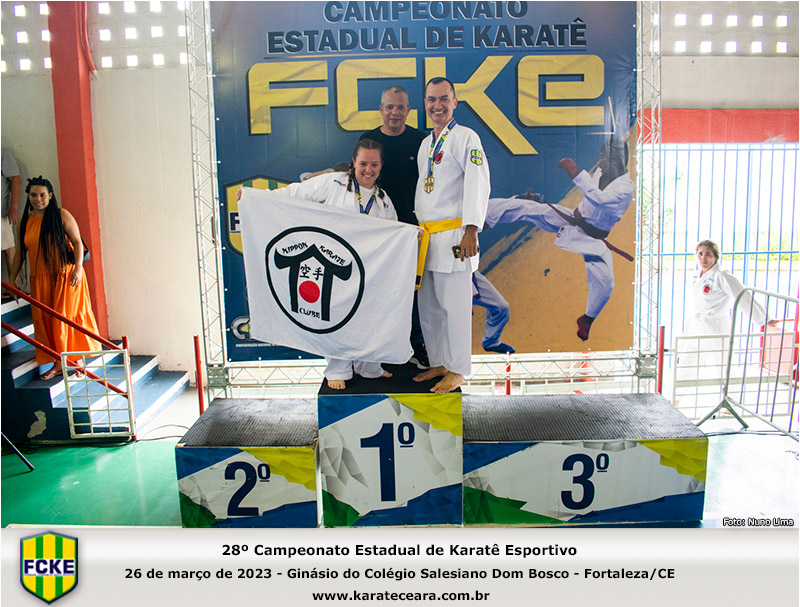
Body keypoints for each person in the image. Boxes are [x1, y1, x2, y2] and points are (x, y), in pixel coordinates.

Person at [238, 139, 398, 390]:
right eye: (363, 163)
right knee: (336, 317)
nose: (368, 170)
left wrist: (411, 235)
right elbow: (294, 193)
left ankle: (368, 366)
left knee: (368, 318)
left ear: (381, 166)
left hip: (367, 270)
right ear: (353, 162)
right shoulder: (332, 183)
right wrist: (256, 196)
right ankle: (337, 369)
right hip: (333, 264)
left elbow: (394, 233)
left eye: (374, 164)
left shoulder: (383, 200)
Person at [486, 137, 634, 341]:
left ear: (616, 161)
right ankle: (483, 216)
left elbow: (599, 200)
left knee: (605, 282)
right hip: (572, 218)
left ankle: (587, 319)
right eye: (601, 156)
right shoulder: (603, 171)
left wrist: (575, 174)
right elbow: (591, 197)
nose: (600, 162)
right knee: (531, 209)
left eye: (604, 158)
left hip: (593, 239)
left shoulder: (625, 189)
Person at [412, 77, 490, 393]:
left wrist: (471, 229)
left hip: (456, 236)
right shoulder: (426, 144)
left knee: (454, 309)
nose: (437, 105)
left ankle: (457, 370)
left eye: (444, 98)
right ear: (425, 104)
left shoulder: (466, 137)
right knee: (430, 308)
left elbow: (478, 182)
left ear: (455, 102)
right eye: (432, 99)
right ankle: (439, 362)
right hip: (428, 238)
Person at [360, 86, 429, 369]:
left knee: (413, 289)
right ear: (381, 109)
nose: (395, 113)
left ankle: (416, 344)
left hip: (413, 228)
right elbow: (353, 176)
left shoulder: (421, 141)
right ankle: (378, 348)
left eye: (400, 107)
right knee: (377, 289)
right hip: (378, 229)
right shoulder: (368, 140)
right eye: (389, 107)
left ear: (409, 110)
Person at [8, 176, 100, 380]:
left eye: (42, 195)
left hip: (66, 276)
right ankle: (59, 363)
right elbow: (20, 254)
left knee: (66, 319)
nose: (38, 199)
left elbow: (77, 242)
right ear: (28, 196)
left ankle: (75, 361)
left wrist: (78, 269)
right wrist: (13, 279)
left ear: (50, 196)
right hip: (40, 280)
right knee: (49, 321)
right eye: (33, 195)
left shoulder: (61, 215)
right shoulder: (25, 222)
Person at [679, 239, 778, 382]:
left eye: (708, 254)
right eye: (700, 254)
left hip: (717, 326)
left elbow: (743, 297)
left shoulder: (722, 276)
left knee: (723, 364)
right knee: (687, 360)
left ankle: (730, 393)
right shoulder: (697, 275)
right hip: (698, 324)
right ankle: (677, 393)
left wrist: (763, 319)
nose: (703, 258)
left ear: (715, 257)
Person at [2, 147, 22, 301]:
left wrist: (13, 207)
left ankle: (14, 288)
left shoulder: (3, 153)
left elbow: (16, 179)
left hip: (1, 213)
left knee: (8, 248)